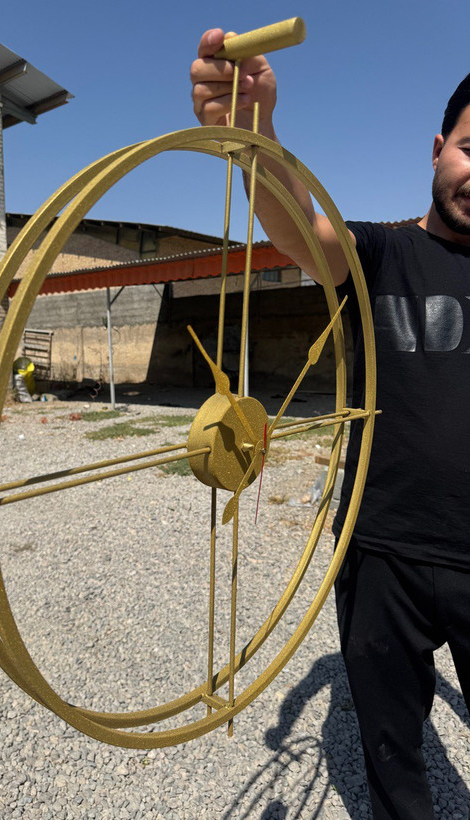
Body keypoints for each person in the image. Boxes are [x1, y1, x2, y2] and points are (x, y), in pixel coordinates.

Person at [191, 28, 470, 820]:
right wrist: (257, 133)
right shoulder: (382, 254)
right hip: (380, 552)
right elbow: (300, 229)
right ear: (436, 150)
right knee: (392, 753)